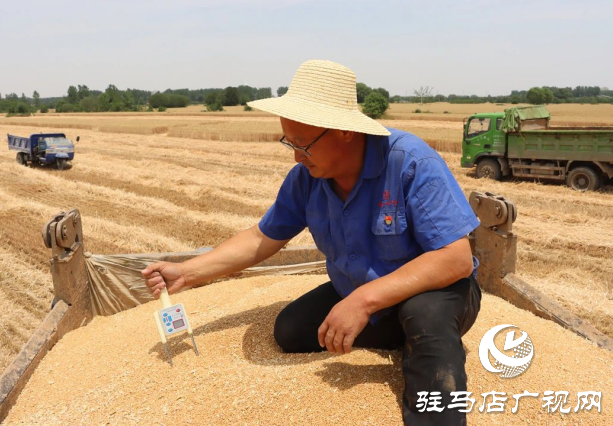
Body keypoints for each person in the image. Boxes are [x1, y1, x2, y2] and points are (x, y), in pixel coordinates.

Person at [142, 59, 482, 425]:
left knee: (426, 316)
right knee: (290, 331)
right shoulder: (306, 179)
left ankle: (433, 377)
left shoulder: (410, 162)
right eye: (289, 142)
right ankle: (407, 339)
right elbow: (261, 238)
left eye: (303, 144)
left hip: (435, 292)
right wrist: (186, 273)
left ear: (345, 132)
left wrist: (363, 300)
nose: (295, 155)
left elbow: (456, 259)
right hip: (360, 292)